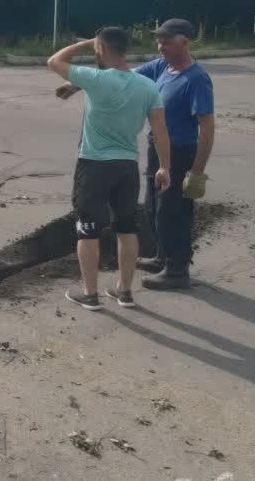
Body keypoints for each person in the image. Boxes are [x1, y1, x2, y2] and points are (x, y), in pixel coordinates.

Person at [47, 27, 172, 311]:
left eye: (96, 48)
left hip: (94, 166)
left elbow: (53, 61)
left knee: (88, 230)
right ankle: (124, 292)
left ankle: (90, 294)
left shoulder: (97, 79)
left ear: (101, 49)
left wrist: (88, 42)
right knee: (127, 229)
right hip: (127, 167)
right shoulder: (147, 86)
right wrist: (165, 166)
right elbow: (161, 131)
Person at [132, 18, 215, 289]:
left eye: (166, 41)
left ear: (184, 42)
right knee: (154, 207)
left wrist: (198, 170)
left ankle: (177, 270)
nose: (160, 46)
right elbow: (128, 76)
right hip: (158, 149)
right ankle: (162, 256)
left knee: (173, 212)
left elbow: (207, 125)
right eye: (159, 41)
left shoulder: (197, 79)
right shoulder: (161, 67)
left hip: (180, 153)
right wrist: (87, 80)